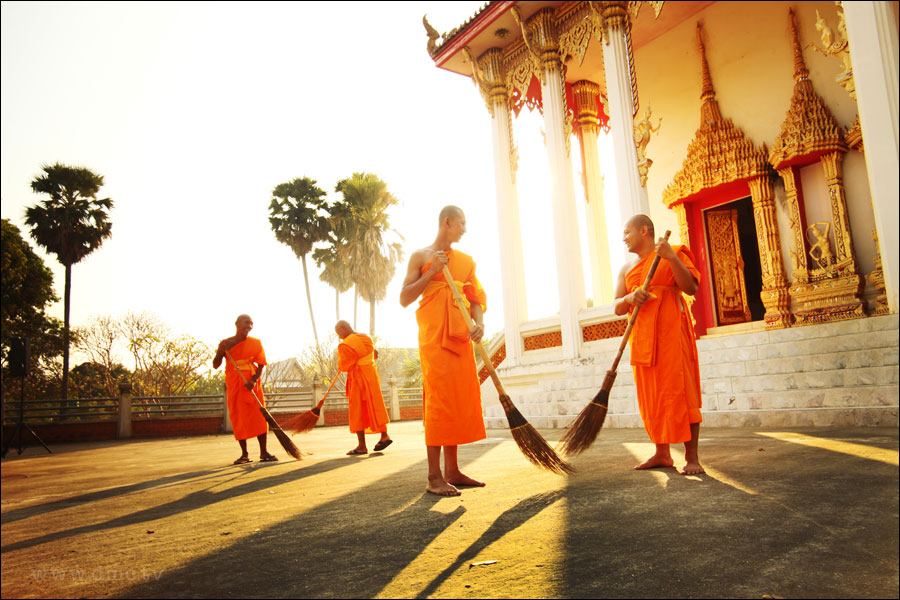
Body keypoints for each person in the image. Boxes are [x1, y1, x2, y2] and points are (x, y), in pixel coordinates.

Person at [400, 205, 487, 496]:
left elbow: (474, 298)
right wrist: (433, 272)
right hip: (435, 338)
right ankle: (433, 476)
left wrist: (479, 324)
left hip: (460, 337)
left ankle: (452, 470)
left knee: (457, 399)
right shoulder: (421, 256)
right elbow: (404, 298)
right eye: (461, 223)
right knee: (438, 401)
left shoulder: (465, 261)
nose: (464, 229)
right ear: (447, 222)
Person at [614, 215, 705, 475]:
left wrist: (670, 258)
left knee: (682, 391)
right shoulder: (626, 269)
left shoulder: (673, 253)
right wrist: (631, 297)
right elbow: (617, 307)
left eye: (627, 232)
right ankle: (662, 453)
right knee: (652, 397)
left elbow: (691, 287)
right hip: (642, 338)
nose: (624, 238)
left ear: (644, 231)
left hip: (672, 334)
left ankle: (692, 458)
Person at [213, 314, 277, 465]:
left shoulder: (255, 343)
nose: (249, 326)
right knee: (238, 417)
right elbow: (216, 364)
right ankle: (244, 454)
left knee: (259, 416)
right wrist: (221, 351)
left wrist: (253, 380)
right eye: (246, 322)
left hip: (252, 383)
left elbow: (261, 364)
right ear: (237, 324)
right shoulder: (226, 343)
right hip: (235, 383)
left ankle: (264, 452)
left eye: (251, 323)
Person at [335, 320, 392, 455]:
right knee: (375, 405)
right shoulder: (366, 338)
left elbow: (344, 366)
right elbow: (375, 354)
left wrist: (347, 361)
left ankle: (362, 446)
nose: (339, 336)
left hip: (358, 378)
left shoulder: (346, 344)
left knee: (357, 409)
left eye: (339, 333)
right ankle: (384, 435)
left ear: (344, 328)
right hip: (371, 377)